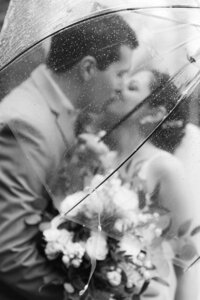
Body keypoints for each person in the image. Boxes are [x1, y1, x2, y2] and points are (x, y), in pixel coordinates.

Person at [0, 13, 139, 300]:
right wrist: (85, 294)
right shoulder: (27, 125)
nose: (122, 87)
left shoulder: (63, 111)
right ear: (88, 68)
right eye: (120, 73)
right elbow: (9, 250)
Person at [97, 68, 198, 300]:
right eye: (122, 79)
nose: (119, 87)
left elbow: (186, 262)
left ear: (156, 113)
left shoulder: (164, 168)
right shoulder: (101, 159)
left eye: (132, 87)